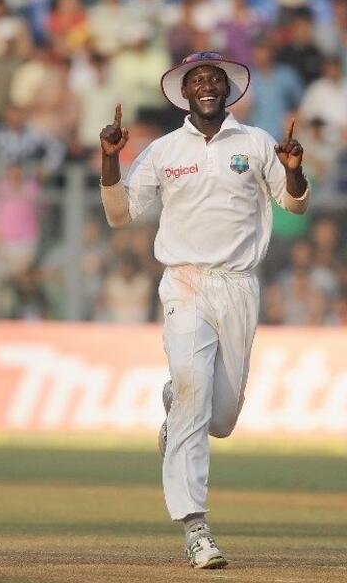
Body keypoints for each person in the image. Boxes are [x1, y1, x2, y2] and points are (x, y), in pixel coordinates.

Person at [98, 52, 309, 569]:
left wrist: (296, 172)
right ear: (185, 93)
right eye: (199, 81)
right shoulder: (164, 150)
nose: (208, 86)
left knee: (222, 419)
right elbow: (120, 214)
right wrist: (109, 160)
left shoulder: (256, 143)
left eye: (216, 79)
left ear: (228, 90)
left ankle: (175, 401)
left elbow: (295, 205)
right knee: (194, 386)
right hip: (185, 282)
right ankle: (195, 527)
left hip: (238, 286)